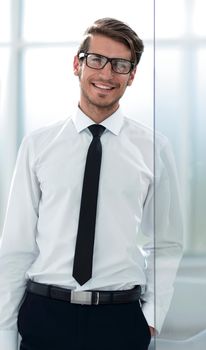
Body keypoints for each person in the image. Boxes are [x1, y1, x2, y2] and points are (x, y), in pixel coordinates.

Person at [0, 18, 183, 350]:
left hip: (120, 320)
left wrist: (151, 318)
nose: (107, 73)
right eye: (97, 59)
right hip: (44, 314)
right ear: (77, 64)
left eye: (120, 65)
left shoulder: (154, 148)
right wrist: (4, 333)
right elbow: (16, 246)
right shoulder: (38, 145)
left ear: (132, 75)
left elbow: (167, 242)